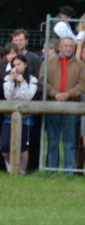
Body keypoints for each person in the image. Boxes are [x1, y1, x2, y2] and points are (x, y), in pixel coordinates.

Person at [40, 33, 84, 170]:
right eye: (65, 45)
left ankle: (69, 171)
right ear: (59, 47)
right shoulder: (48, 62)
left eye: (71, 46)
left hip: (71, 106)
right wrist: (55, 94)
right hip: (52, 104)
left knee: (69, 141)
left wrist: (68, 94)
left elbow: (83, 84)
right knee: (52, 140)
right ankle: (51, 169)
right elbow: (42, 80)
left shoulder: (80, 65)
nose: (68, 48)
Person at [1, 52, 37, 172]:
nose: (17, 67)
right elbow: (8, 97)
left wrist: (22, 82)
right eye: (14, 64)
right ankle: (12, 166)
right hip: (9, 116)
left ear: (25, 64)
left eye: (19, 64)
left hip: (25, 117)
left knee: (22, 145)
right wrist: (11, 82)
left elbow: (28, 97)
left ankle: (21, 170)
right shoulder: (7, 78)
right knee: (5, 145)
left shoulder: (32, 80)